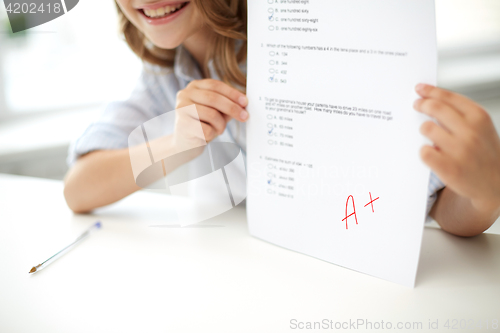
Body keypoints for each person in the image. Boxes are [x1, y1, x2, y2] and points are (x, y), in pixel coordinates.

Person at [63, 0, 500, 237]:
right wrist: (176, 144)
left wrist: (485, 193)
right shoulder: (166, 71)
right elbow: (79, 188)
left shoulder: (303, 46)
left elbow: (443, 210)